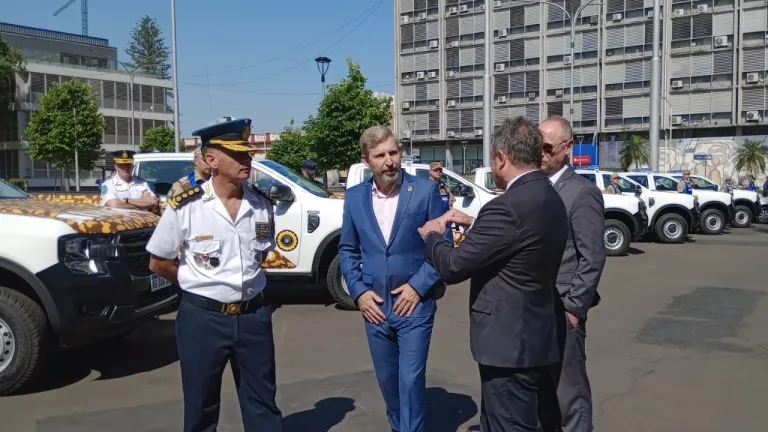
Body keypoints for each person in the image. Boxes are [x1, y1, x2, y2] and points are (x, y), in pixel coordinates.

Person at [417, 116, 568, 432]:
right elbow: (520, 240)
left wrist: (432, 236)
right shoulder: (549, 194)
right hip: (536, 334)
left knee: (506, 423)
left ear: (501, 158)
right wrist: (476, 226)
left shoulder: (506, 207)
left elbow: (453, 266)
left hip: (509, 344)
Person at [146, 118, 282, 432]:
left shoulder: (262, 205)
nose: (247, 159)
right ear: (212, 160)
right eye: (237, 154)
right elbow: (158, 262)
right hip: (203, 319)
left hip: (253, 316)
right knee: (201, 405)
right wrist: (196, 285)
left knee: (262, 402)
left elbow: (260, 256)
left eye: (247, 153)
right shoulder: (187, 206)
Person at [338, 125, 452, 432]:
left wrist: (418, 286)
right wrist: (359, 292)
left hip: (415, 304)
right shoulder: (355, 198)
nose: (389, 161)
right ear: (366, 161)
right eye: (380, 156)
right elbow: (347, 249)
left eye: (393, 152)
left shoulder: (425, 191)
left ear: (400, 152)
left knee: (411, 380)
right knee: (388, 382)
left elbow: (444, 246)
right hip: (375, 307)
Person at [538, 116, 607, 432]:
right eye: (537, 146)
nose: (541, 153)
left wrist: (574, 310)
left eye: (547, 147)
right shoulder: (533, 187)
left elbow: (592, 256)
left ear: (568, 148)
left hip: (563, 309)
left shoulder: (582, 192)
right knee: (542, 393)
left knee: (570, 394)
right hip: (533, 309)